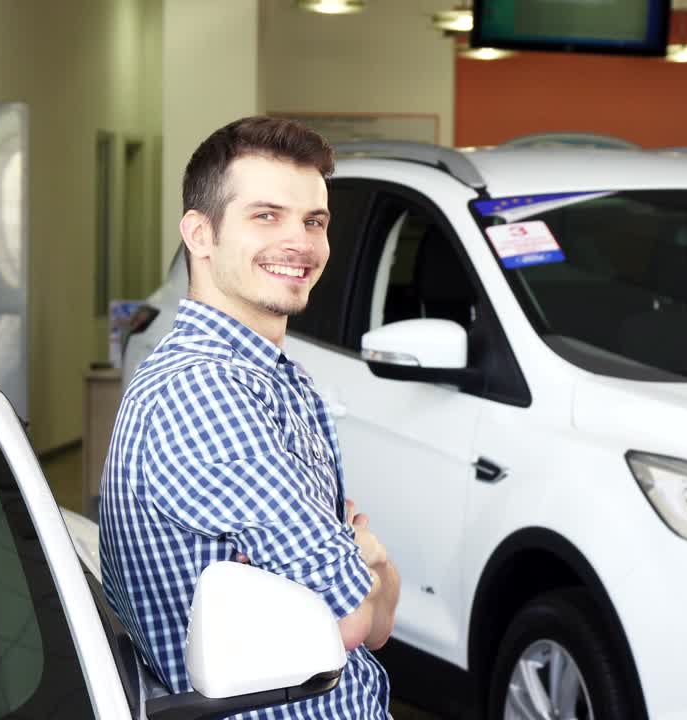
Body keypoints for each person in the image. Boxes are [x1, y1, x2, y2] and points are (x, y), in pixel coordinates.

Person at [99, 116, 399, 719]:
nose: (301, 243)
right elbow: (351, 621)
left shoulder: (272, 380)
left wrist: (367, 562)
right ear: (200, 234)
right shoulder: (205, 392)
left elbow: (379, 624)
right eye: (266, 216)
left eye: (314, 221)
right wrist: (359, 553)